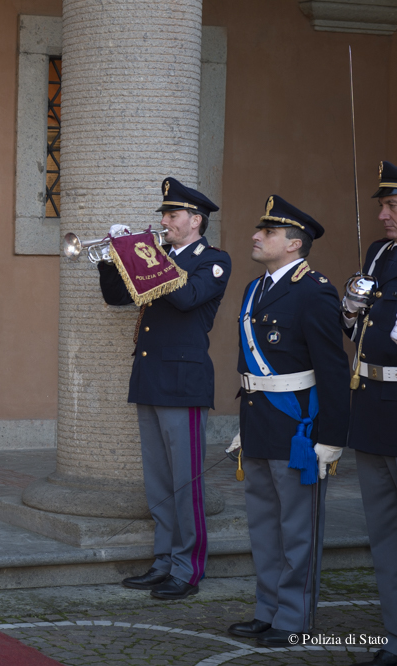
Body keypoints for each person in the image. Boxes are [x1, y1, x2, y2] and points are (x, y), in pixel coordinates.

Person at [225, 195, 349, 647]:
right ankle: (268, 608)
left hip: (299, 428)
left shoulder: (314, 289)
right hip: (259, 423)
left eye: (269, 232)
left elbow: (332, 368)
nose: (256, 237)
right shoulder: (253, 289)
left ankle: (294, 618)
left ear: (294, 243)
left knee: (297, 529)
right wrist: (244, 421)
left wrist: (331, 437)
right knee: (263, 524)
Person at [98, 177, 230, 600]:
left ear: (196, 220)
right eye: (164, 215)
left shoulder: (213, 260)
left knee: (185, 481)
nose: (165, 221)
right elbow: (117, 297)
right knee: (158, 481)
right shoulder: (161, 258)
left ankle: (188, 568)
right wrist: (109, 258)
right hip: (151, 375)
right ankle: (163, 559)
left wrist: (146, 255)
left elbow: (188, 297)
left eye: (172, 215)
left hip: (184, 381)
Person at [341, 162, 397, 666]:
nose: (382, 215)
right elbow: (353, 327)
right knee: (382, 531)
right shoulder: (380, 253)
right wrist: (351, 305)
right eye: (383, 206)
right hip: (373, 404)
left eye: (392, 207)